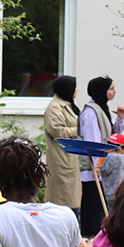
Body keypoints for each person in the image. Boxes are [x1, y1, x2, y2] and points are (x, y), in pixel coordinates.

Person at [79, 75, 124, 237]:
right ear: (102, 91)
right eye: (111, 88)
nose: (114, 92)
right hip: (93, 171)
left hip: (102, 167)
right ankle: (91, 242)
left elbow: (113, 135)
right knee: (93, 211)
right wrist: (97, 165)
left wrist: (120, 119)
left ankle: (100, 239)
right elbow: (93, 142)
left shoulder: (102, 108)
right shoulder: (91, 112)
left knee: (101, 209)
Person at [44, 75, 82, 214]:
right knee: (62, 203)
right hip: (61, 159)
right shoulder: (55, 107)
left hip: (69, 157)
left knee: (72, 201)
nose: (77, 89)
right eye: (74, 86)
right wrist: (78, 130)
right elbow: (56, 130)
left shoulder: (66, 104)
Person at [98, 133, 124, 209]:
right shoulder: (123, 159)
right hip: (120, 194)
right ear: (121, 147)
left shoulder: (104, 158)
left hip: (107, 194)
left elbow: (101, 168)